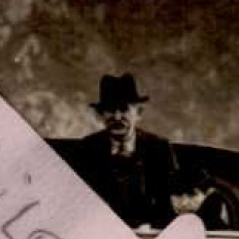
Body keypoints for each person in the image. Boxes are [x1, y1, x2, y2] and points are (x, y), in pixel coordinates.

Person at [71, 73, 180, 229]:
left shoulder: (158, 149)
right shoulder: (87, 149)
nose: (116, 117)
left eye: (124, 109)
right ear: (100, 114)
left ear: (139, 113)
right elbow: (80, 207)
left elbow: (167, 207)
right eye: (109, 110)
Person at [169, 165, 239, 231]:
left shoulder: (221, 233)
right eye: (178, 195)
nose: (184, 203)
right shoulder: (164, 225)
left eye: (191, 195)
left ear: (208, 194)